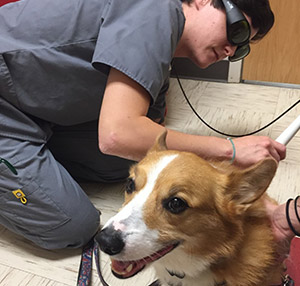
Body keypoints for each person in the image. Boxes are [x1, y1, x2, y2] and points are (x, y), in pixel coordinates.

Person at [0, 0, 295, 251]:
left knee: (129, 164)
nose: (232, 50)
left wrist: (245, 198)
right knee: (72, 225)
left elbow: (155, 147)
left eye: (242, 47)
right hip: (7, 108)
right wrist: (230, 149)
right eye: (237, 30)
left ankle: (24, 166)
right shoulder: (156, 8)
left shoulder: (161, 57)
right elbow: (118, 134)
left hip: (33, 112)